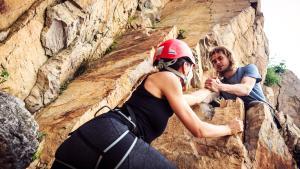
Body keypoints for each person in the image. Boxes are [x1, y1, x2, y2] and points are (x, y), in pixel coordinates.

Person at [51, 39, 243, 169]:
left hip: (84, 142)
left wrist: (210, 90)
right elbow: (198, 130)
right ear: (185, 65)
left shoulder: (159, 84)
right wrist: (229, 127)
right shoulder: (169, 79)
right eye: (191, 67)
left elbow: (190, 99)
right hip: (112, 138)